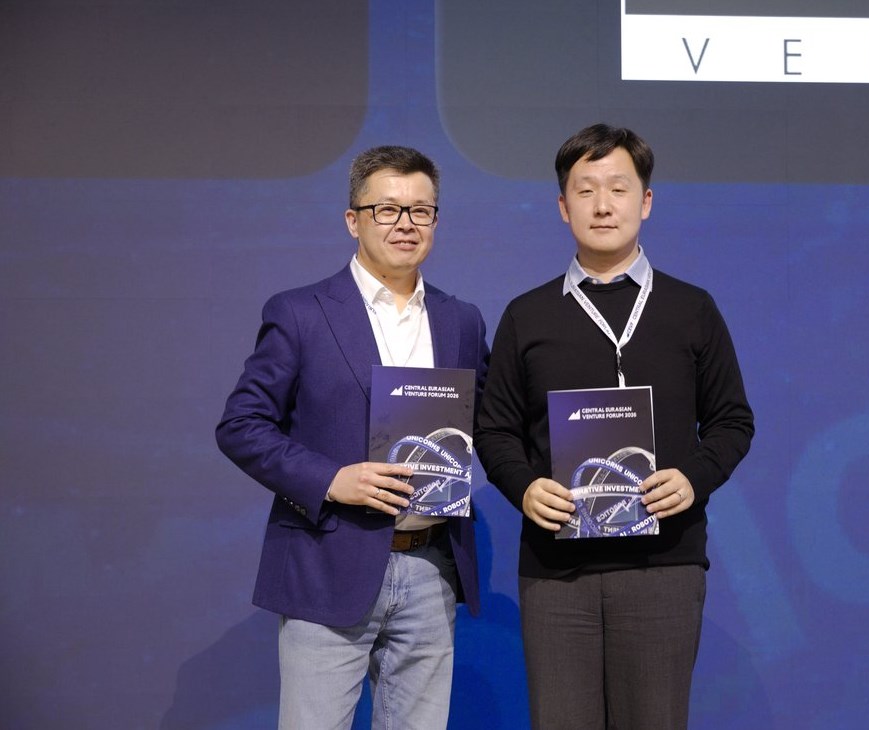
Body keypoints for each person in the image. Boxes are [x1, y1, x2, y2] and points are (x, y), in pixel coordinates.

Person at [474, 123, 754, 729]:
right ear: (562, 206)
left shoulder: (692, 309)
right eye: (586, 190)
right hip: (556, 572)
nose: (602, 205)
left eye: (618, 189)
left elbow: (732, 420)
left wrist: (694, 478)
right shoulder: (527, 315)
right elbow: (494, 431)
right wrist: (524, 486)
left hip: (665, 564)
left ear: (645, 202)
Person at [216, 145, 488, 730]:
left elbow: (489, 422)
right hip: (327, 561)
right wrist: (331, 479)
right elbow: (241, 425)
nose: (406, 224)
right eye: (387, 209)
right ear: (353, 220)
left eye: (421, 210)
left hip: (432, 566)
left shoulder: (460, 319)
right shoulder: (300, 312)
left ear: (435, 221)